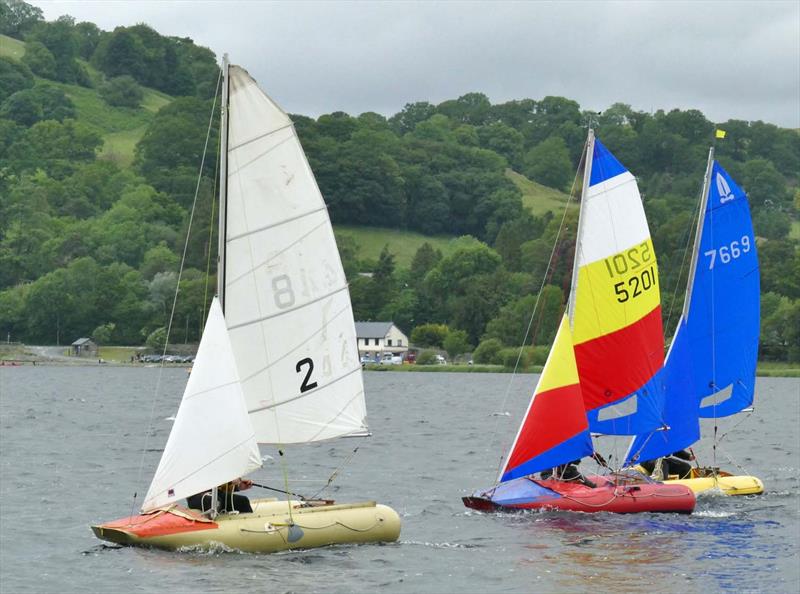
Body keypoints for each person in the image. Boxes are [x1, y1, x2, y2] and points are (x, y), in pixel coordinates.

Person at [186, 478, 254, 514]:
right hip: (195, 496)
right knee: (215, 501)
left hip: (216, 493)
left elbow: (218, 486)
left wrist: (238, 486)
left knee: (243, 501)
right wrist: (230, 481)